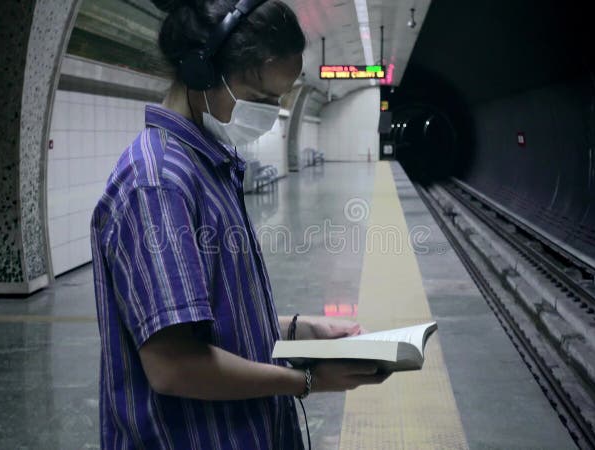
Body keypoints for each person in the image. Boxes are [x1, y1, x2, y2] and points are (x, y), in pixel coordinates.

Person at [90, 0, 390, 448]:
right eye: (261, 99)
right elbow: (174, 366)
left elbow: (216, 319)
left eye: (280, 100)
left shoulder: (209, 166)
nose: (270, 115)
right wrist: (306, 381)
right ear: (200, 73)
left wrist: (301, 330)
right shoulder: (158, 184)